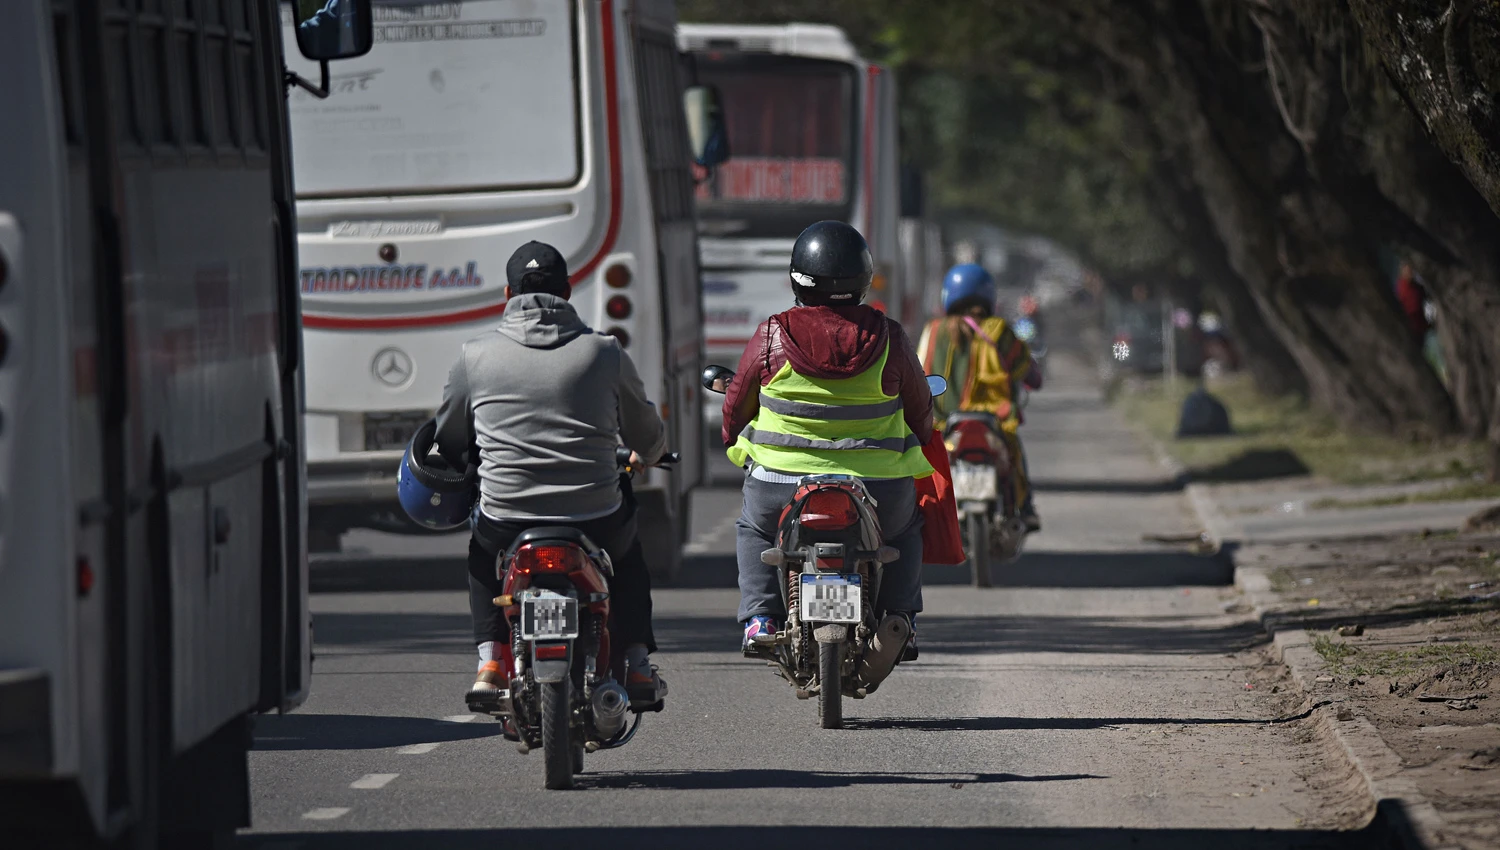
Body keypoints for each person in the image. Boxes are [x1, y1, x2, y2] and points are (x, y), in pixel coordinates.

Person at [433, 241, 668, 710]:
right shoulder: (604, 352)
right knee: (628, 559)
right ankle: (638, 662)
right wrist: (652, 453)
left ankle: (490, 662)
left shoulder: (473, 356)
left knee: (482, 558)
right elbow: (646, 433)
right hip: (595, 513)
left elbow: (450, 436)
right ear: (567, 292)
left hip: (506, 514)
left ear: (507, 293)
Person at [721, 221, 935, 658]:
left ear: (797, 278)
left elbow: (736, 406)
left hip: (779, 482)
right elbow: (920, 414)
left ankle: (761, 619)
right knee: (905, 531)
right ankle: (901, 619)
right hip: (878, 486)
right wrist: (924, 433)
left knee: (754, 528)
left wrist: (731, 437)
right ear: (863, 278)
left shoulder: (771, 335)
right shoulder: (890, 338)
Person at [918, 263, 1043, 532]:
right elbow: (1027, 370)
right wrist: (1033, 378)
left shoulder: (934, 331)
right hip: (991, 420)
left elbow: (918, 370)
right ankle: (1026, 509)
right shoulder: (998, 331)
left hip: (944, 424)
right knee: (1014, 453)